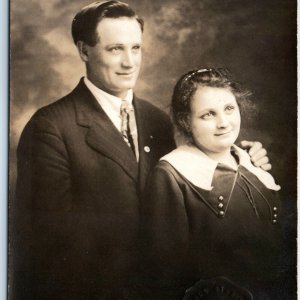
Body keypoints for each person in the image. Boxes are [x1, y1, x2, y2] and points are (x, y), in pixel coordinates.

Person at [12, 2, 271, 299]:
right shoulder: (50, 127)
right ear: (84, 51)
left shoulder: (156, 120)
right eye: (115, 49)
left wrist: (243, 158)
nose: (129, 62)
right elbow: (46, 248)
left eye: (136, 48)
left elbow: (194, 178)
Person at [141, 68, 283, 299]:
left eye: (229, 109)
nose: (223, 123)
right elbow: (164, 275)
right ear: (186, 121)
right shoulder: (172, 175)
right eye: (208, 114)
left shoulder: (254, 164)